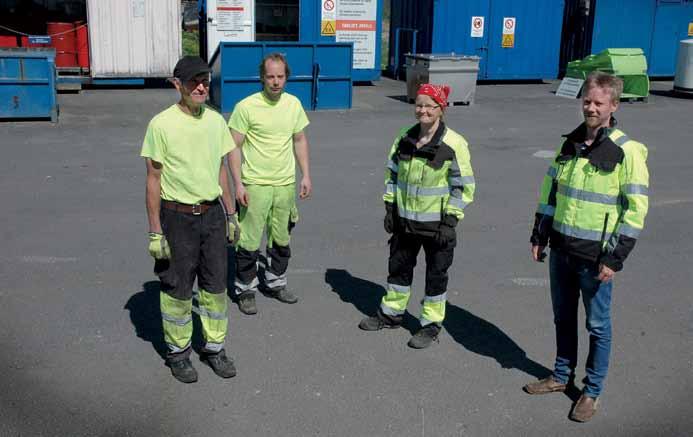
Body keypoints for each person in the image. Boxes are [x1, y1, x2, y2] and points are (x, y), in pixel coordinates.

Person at [524, 72, 649, 422]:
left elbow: (635, 210)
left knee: (597, 326)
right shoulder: (570, 144)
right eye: (587, 100)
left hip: (596, 257)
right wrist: (539, 235)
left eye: (598, 102)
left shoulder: (627, 151)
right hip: (562, 249)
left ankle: (591, 392)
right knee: (562, 317)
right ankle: (561, 376)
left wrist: (615, 258)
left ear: (613, 105)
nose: (590, 107)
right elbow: (550, 193)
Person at [141, 56, 239, 383]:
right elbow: (153, 179)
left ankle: (214, 348)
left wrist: (231, 214)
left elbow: (221, 171)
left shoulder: (215, 121)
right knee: (177, 289)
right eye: (194, 81)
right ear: (177, 84)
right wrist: (155, 230)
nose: (201, 87)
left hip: (211, 216)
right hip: (177, 217)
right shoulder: (161, 124)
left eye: (206, 81)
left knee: (214, 287)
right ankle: (179, 353)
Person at [358, 84, 475, 349]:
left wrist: (451, 220)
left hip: (437, 226)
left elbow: (463, 186)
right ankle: (391, 315)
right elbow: (392, 174)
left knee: (436, 276)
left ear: (441, 109)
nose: (423, 110)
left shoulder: (454, 144)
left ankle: (430, 325)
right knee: (398, 269)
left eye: (429, 105)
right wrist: (390, 208)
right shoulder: (404, 137)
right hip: (405, 222)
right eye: (419, 105)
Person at [227, 52, 312, 315]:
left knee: (281, 238)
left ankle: (276, 282)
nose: (275, 82)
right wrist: (238, 184)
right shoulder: (246, 107)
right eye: (270, 76)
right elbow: (233, 147)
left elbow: (299, 140)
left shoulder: (293, 104)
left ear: (286, 77)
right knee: (249, 242)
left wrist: (306, 174)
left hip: (285, 185)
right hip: (255, 185)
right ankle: (246, 289)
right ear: (262, 77)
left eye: (280, 76)